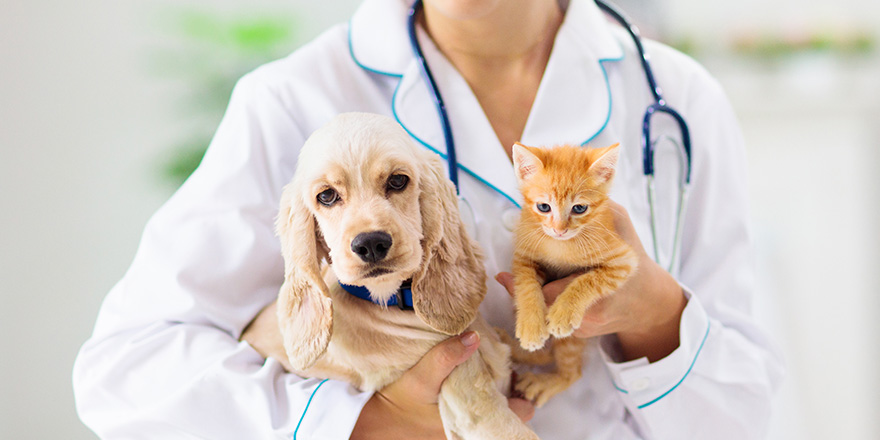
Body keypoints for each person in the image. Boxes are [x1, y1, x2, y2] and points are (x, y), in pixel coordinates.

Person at [72, 0, 784, 438]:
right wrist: (368, 424)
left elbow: (744, 421)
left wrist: (655, 311)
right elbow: (124, 374)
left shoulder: (677, 99)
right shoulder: (291, 101)